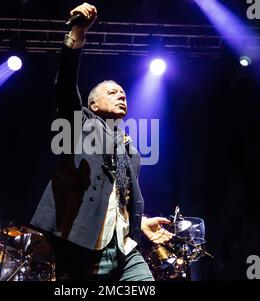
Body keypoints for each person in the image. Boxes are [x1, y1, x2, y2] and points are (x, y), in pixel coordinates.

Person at [31, 2, 173, 281]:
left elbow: (118, 196)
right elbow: (65, 87)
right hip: (81, 245)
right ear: (93, 104)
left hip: (124, 249)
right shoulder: (79, 124)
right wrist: (76, 35)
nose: (121, 95)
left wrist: (139, 222)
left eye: (123, 93)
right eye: (112, 92)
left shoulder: (130, 149)